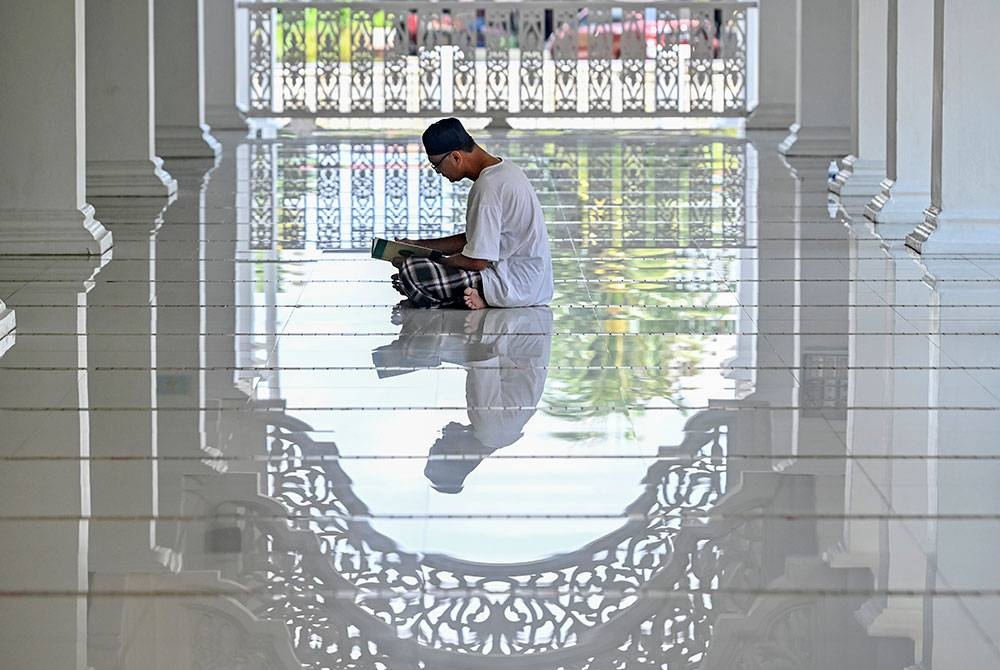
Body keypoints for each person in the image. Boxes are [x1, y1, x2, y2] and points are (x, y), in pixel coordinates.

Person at [391, 117, 554, 310]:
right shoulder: (505, 169)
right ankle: (470, 295)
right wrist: (418, 246)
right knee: (415, 270)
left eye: (437, 165)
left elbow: (477, 261)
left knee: (412, 271)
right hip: (534, 282)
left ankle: (483, 296)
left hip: (511, 283)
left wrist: (434, 260)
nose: (438, 172)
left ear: (456, 157)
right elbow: (474, 239)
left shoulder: (487, 187)